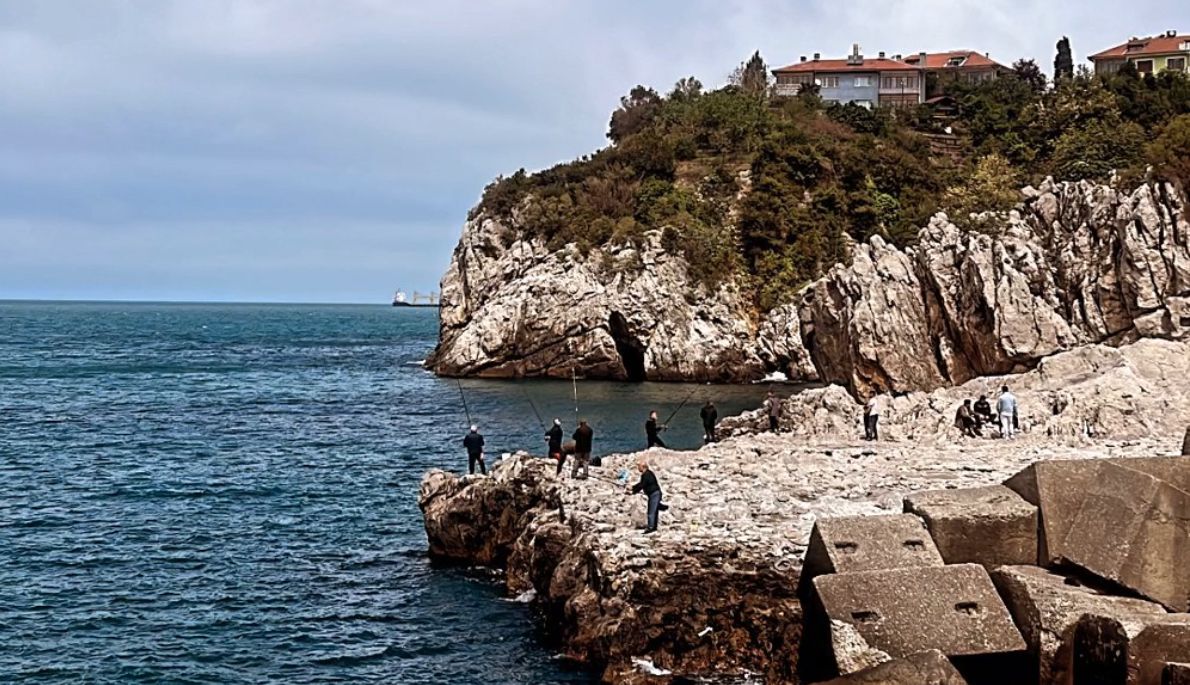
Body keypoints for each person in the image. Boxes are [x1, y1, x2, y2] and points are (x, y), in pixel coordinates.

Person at [629, 459, 664, 533]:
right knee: (654, 510)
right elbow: (642, 484)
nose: (638, 468)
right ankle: (653, 526)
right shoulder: (648, 473)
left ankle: (651, 527)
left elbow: (642, 485)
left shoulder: (646, 474)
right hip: (654, 494)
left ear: (643, 467)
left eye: (639, 467)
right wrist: (633, 489)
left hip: (654, 494)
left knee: (651, 511)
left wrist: (632, 489)